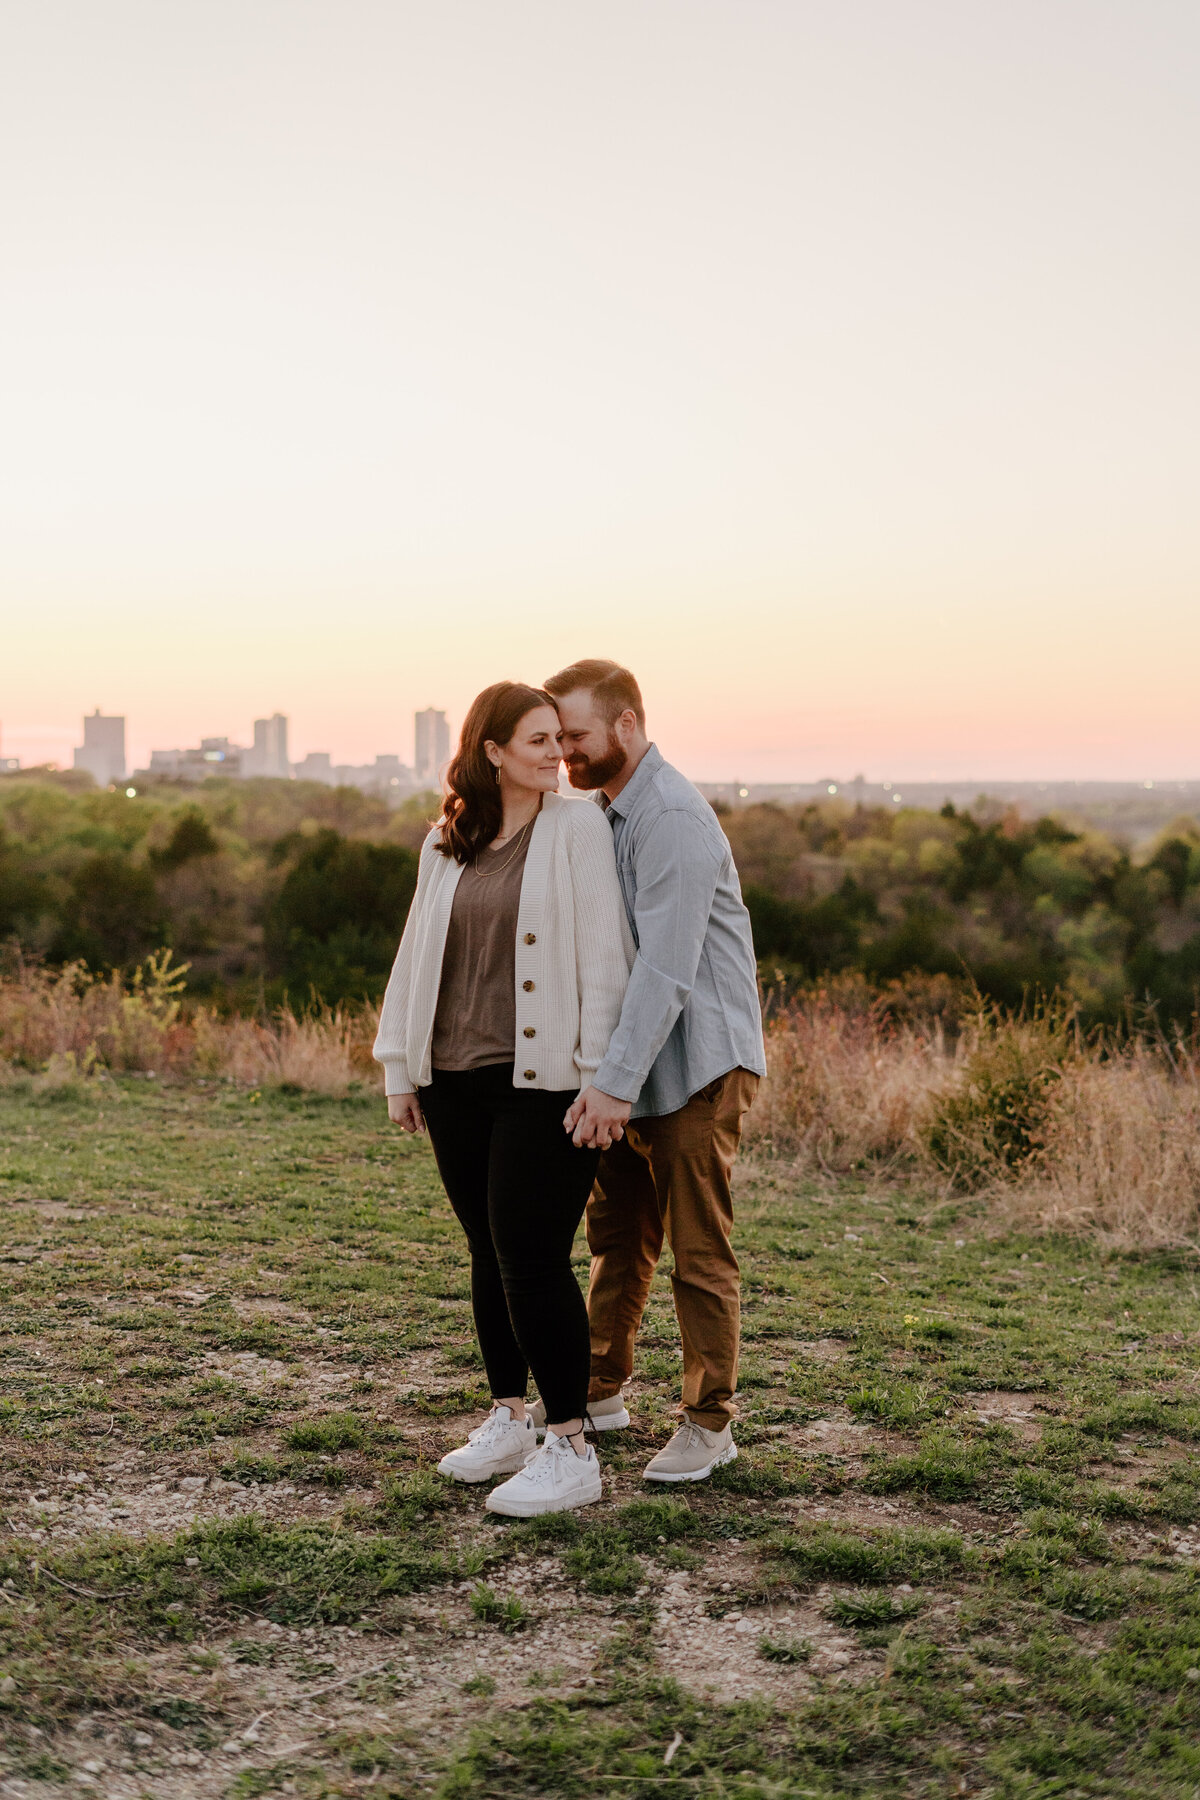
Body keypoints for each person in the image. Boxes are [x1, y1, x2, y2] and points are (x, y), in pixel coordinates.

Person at [373, 682, 633, 1517]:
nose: (556, 755)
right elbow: (416, 960)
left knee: (530, 1258)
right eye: (535, 742)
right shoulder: (447, 842)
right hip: (454, 1080)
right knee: (488, 1253)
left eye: (559, 739)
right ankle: (509, 1418)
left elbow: (605, 960)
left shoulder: (576, 828)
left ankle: (570, 1447)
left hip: (546, 1084)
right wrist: (401, 1069)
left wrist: (605, 1078)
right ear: (490, 751)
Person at [537, 658, 766, 1482]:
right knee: (616, 1238)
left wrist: (611, 1084)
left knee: (698, 1251)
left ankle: (710, 1422)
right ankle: (600, 1389)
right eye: (556, 737)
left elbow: (666, 970)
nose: (565, 750)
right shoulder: (605, 809)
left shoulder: (667, 816)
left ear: (626, 725)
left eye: (577, 735)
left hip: (697, 1062)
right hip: (632, 1067)